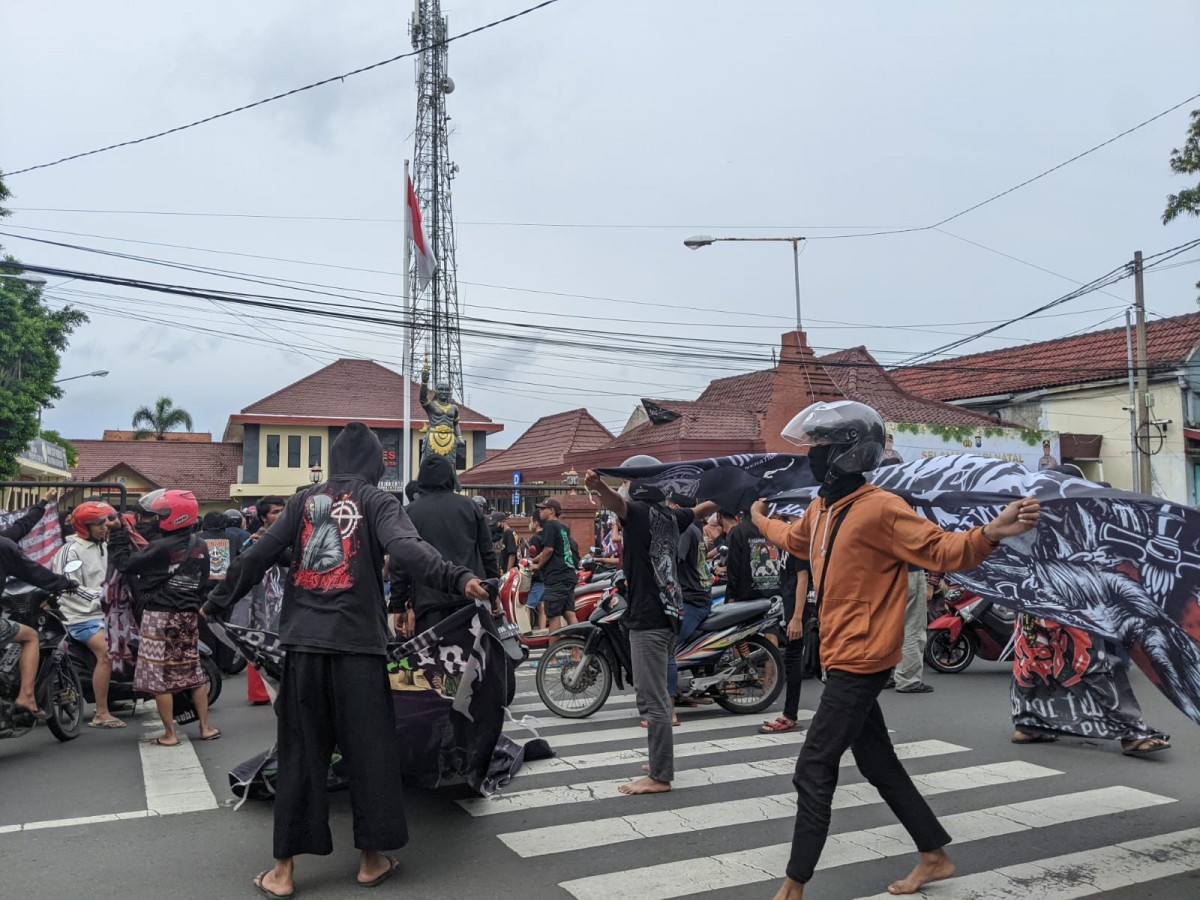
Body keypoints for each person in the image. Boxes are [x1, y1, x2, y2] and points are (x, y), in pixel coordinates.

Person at [750, 400, 1040, 899]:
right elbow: (794, 539)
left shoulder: (882, 509)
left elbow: (942, 550)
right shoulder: (822, 509)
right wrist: (759, 519)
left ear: (846, 453)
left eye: (820, 447)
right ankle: (934, 855)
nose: (813, 455)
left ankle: (793, 886)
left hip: (861, 658)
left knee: (814, 767)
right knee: (878, 764)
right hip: (842, 652)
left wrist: (992, 532)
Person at [205, 422, 488, 897]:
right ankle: (371, 860)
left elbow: (259, 554)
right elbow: (406, 550)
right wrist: (458, 578)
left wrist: (216, 601)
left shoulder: (301, 502)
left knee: (300, 755)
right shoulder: (379, 502)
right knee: (370, 754)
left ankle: (283, 872)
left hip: (304, 648)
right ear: (375, 463)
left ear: (335, 461)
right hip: (358, 649)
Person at [583, 470, 714, 796]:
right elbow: (699, 511)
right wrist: (728, 491)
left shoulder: (639, 514)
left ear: (637, 491)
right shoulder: (671, 516)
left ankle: (660, 775)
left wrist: (599, 486)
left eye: (628, 486)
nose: (624, 492)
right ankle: (659, 758)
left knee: (652, 699)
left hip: (649, 619)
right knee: (655, 694)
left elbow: (616, 504)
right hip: (669, 614)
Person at [125, 489, 220, 747]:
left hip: (161, 616)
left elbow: (129, 565)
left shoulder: (163, 546)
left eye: (161, 514)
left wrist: (116, 535)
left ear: (175, 517)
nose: (155, 519)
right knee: (193, 672)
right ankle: (206, 727)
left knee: (160, 679)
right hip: (188, 616)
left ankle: (170, 734)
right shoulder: (200, 544)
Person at [390, 453, 497, 637]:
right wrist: (493, 592)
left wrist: (399, 605)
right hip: (470, 598)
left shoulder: (409, 513)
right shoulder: (470, 507)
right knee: (471, 661)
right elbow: (488, 554)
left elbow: (400, 563)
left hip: (428, 605)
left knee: (433, 663)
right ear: (450, 477)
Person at [0, 491, 74, 720]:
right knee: (30, 636)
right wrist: (65, 582)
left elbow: (22, 526)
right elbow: (34, 573)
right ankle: (26, 696)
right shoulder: (4, 547)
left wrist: (42, 504)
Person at [52, 501, 126, 728]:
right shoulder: (71, 552)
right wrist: (103, 596)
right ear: (85, 526)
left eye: (105, 522)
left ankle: (112, 696)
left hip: (104, 613)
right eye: (98, 524)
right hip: (80, 618)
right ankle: (101, 713)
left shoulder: (101, 546)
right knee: (106, 653)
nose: (105, 527)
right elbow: (70, 588)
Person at [760, 517, 812, 733]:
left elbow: (803, 579)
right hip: (790, 607)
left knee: (793, 658)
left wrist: (797, 617)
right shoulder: (787, 542)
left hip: (800, 610)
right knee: (795, 658)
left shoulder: (799, 541)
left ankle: (790, 715)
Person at [666, 493, 715, 708]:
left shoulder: (685, 530)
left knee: (666, 647)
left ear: (676, 508)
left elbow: (674, 562)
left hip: (693, 600)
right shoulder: (693, 529)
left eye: (668, 507)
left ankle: (668, 704)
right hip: (695, 596)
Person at [241, 496, 287, 705]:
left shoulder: (289, 536)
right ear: (262, 517)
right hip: (261, 600)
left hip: (285, 597)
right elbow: (242, 566)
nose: (280, 515)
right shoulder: (255, 539)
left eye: (282, 510)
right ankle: (260, 693)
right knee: (260, 641)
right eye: (274, 512)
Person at [528, 499, 578, 639]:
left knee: (553, 615)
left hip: (556, 576)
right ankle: (577, 652)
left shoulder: (549, 525)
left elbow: (549, 550)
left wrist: (538, 566)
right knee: (569, 613)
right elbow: (552, 549)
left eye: (543, 509)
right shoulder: (563, 527)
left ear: (552, 511)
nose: (540, 511)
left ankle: (553, 659)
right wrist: (532, 560)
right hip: (568, 574)